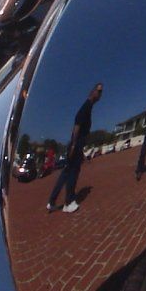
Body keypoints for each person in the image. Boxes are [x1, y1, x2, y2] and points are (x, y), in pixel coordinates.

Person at [48, 82, 103, 212]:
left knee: (66, 172)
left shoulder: (88, 107)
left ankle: (51, 201)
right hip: (76, 143)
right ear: (92, 92)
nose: (100, 94)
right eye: (99, 91)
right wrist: (74, 145)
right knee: (74, 172)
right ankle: (69, 202)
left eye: (101, 92)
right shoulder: (86, 106)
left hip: (76, 143)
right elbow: (77, 122)